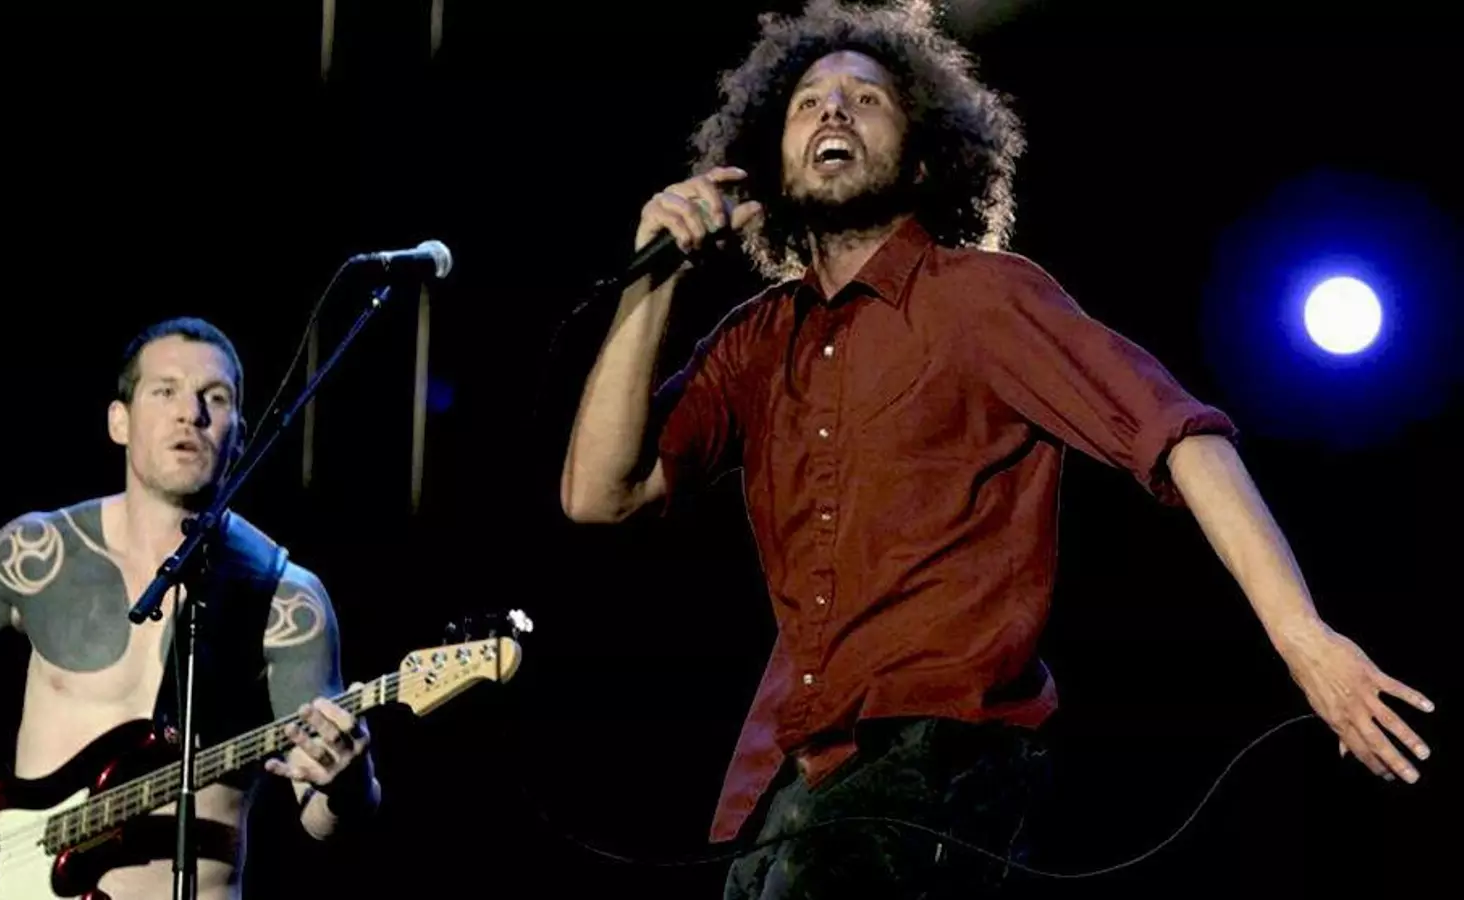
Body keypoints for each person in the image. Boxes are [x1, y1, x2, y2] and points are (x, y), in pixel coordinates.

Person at [559, 1, 1433, 896]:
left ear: (924, 157)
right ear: (771, 165)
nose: (833, 110)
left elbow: (1180, 436)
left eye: (866, 99)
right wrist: (653, 280)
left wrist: (1303, 639)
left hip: (938, 761)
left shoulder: (980, 299)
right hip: (783, 783)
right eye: (808, 102)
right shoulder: (754, 342)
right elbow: (599, 494)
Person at [0, 317, 381, 898]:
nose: (190, 413)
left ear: (241, 435)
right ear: (119, 421)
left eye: (215, 398)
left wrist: (349, 785)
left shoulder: (286, 600)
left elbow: (321, 816)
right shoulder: (42, 550)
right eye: (165, 391)